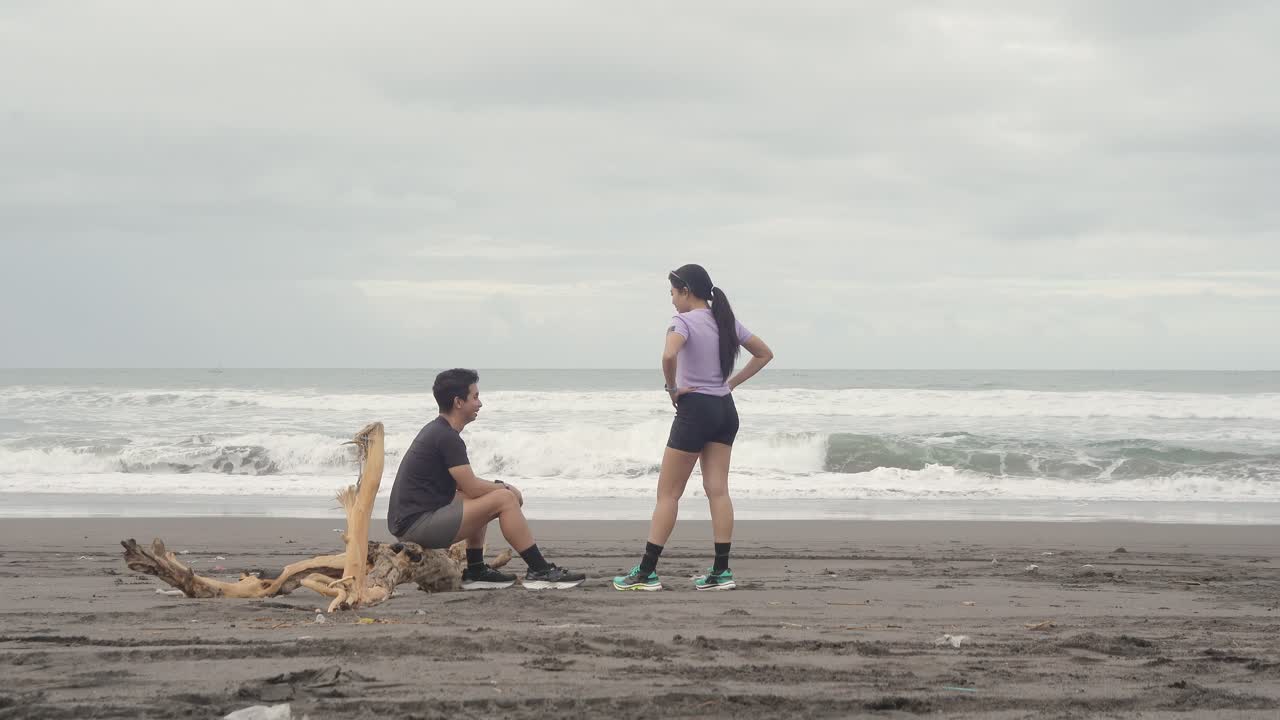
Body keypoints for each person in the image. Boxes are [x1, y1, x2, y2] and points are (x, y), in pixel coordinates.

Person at [613, 265, 773, 591]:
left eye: (673, 293)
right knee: (718, 491)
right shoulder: (724, 321)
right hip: (725, 411)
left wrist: (671, 389)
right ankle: (721, 572)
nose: (671, 301)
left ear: (686, 290)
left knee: (668, 494)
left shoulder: (682, 322)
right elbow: (764, 353)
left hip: (695, 410)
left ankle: (646, 572)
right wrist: (730, 385)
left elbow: (669, 355)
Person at [387, 368, 586, 590]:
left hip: (410, 522)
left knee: (489, 496)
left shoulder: (439, 431)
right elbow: (472, 487)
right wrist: (507, 490)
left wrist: (500, 488)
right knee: (503, 499)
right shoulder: (446, 437)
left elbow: (466, 487)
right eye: (475, 397)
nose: (480, 403)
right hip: (416, 526)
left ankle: (476, 569)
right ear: (458, 402)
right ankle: (539, 570)